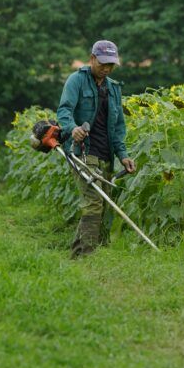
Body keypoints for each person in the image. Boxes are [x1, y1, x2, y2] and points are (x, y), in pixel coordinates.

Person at [56, 40, 136, 258]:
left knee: (103, 205)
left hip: (106, 154)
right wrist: (72, 129)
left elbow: (118, 126)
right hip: (83, 150)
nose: (107, 68)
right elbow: (64, 111)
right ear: (92, 58)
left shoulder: (113, 88)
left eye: (111, 64)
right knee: (93, 204)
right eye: (103, 63)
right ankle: (87, 257)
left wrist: (123, 155)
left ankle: (82, 254)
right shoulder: (76, 81)